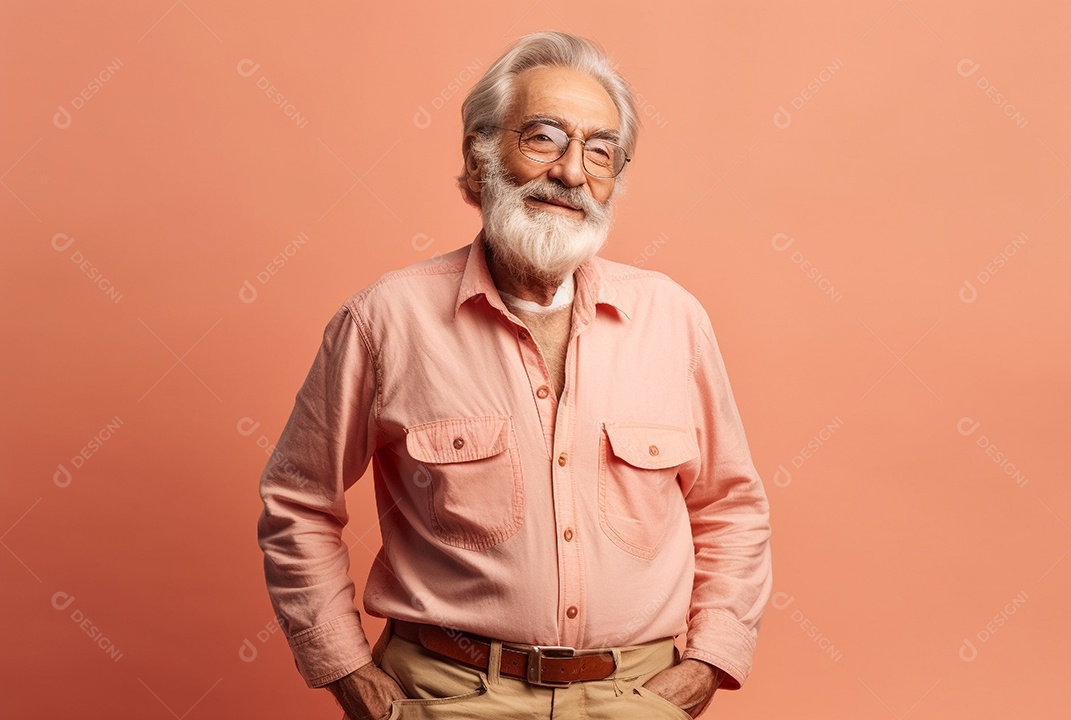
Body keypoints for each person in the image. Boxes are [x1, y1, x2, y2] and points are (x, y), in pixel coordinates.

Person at [256, 30, 772, 720]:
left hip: (636, 698)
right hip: (445, 694)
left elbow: (731, 506)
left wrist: (709, 663)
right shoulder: (384, 321)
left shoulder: (674, 319)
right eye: (543, 138)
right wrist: (346, 670)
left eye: (600, 152)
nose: (571, 173)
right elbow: (299, 502)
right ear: (481, 157)